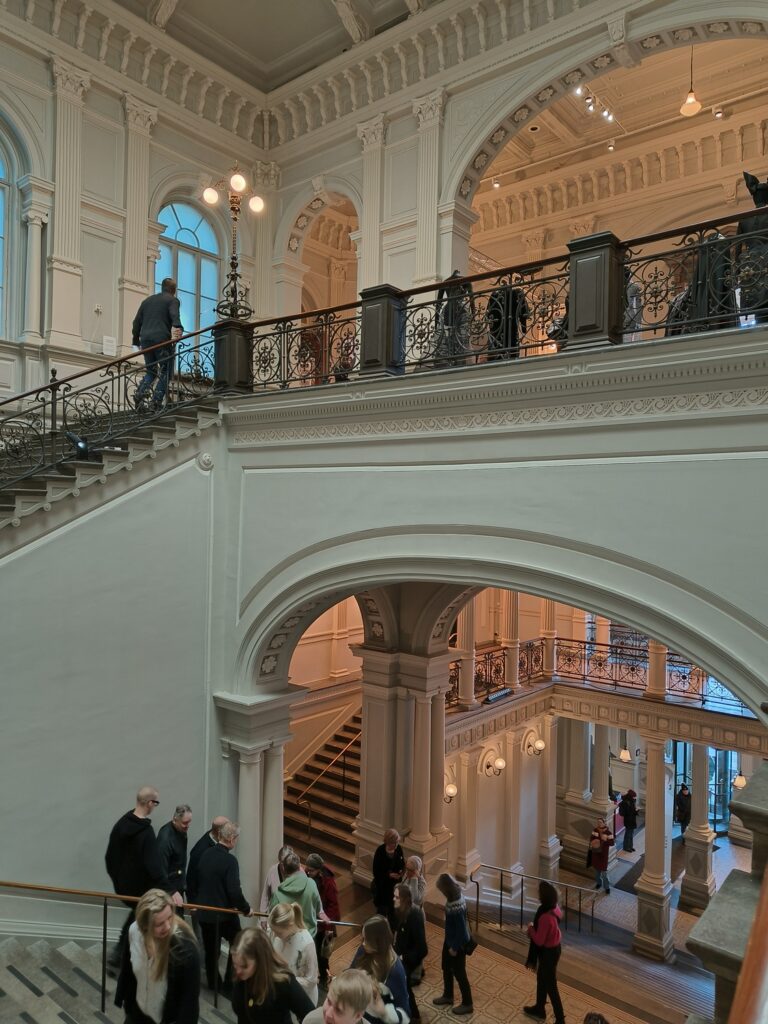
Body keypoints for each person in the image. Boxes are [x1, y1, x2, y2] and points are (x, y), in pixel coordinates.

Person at [105, 786, 180, 969]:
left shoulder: (121, 824)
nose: (155, 806)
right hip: (141, 889)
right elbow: (154, 866)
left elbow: (110, 857)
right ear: (149, 803)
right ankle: (124, 956)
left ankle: (120, 954)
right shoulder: (146, 832)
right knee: (141, 917)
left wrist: (119, 879)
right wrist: (171, 890)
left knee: (137, 916)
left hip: (124, 887)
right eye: (156, 802)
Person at [115, 887, 200, 1023]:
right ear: (145, 927)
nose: (167, 926)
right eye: (159, 924)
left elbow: (189, 1006)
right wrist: (125, 1002)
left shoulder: (185, 951)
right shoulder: (134, 931)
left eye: (170, 918)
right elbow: (127, 970)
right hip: (136, 1015)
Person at [196, 820, 254, 992]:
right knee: (238, 943)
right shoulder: (230, 861)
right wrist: (246, 909)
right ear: (231, 839)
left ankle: (214, 984)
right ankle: (230, 981)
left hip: (205, 913)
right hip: (224, 914)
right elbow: (234, 891)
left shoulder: (206, 854)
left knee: (211, 952)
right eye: (236, 838)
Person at [230, 926, 314, 1024]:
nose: (238, 971)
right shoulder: (240, 974)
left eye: (244, 966)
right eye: (235, 964)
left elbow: (311, 1016)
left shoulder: (283, 983)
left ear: (260, 961)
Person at [132, 277, 183, 411]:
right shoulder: (173, 300)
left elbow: (136, 322)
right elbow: (174, 315)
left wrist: (135, 341)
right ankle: (156, 401)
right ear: (174, 290)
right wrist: (178, 327)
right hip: (161, 340)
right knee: (167, 370)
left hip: (146, 341)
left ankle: (139, 394)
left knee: (151, 371)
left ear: (162, 287)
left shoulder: (147, 301)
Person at [351, 915, 410, 1023]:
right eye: (363, 938)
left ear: (378, 942)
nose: (363, 943)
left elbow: (405, 1014)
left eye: (367, 940)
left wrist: (384, 1012)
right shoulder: (363, 950)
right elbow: (351, 972)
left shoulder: (395, 971)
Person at [432, 873, 473, 1016]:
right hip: (449, 940)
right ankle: (448, 995)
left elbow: (462, 932)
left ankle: (468, 1003)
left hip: (457, 945)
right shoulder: (454, 896)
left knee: (460, 974)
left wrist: (454, 948)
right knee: (446, 968)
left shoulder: (456, 905)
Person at [523, 880, 564, 1024]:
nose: (538, 894)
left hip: (548, 953)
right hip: (555, 948)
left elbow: (539, 941)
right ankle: (539, 1008)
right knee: (541, 979)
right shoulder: (554, 907)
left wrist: (530, 928)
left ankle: (560, 1019)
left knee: (551, 986)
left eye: (539, 892)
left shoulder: (546, 917)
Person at [269, 901, 319, 1005]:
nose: (275, 935)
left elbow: (311, 981)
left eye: (278, 933)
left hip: (301, 998)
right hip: (282, 992)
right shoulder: (277, 934)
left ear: (289, 926)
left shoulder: (307, 944)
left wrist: (284, 978)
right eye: (273, 931)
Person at [270, 851, 326, 938]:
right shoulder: (311, 884)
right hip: (309, 936)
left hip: (287, 938)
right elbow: (318, 909)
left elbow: (274, 918)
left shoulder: (277, 894)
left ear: (283, 869)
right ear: (299, 866)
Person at [305, 852, 341, 988]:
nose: (308, 873)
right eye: (307, 870)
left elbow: (333, 906)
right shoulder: (309, 876)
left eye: (311, 871)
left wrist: (328, 928)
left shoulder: (329, 883)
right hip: (312, 920)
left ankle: (324, 977)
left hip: (323, 924)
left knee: (322, 955)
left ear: (318, 870)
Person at [393, 883, 427, 1021]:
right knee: (402, 986)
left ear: (404, 899)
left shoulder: (414, 915)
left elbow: (422, 949)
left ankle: (414, 1016)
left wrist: (403, 957)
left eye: (396, 897)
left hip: (408, 959)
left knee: (405, 987)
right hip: (401, 957)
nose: (393, 899)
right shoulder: (400, 911)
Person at [302, 969, 375, 1024]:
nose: (328, 1014)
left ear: (357, 1016)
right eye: (329, 1001)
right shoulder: (311, 1020)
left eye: (338, 1010)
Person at [187, 816, 228, 907]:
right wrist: (193, 905)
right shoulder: (200, 850)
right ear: (220, 832)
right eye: (228, 830)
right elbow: (191, 880)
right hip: (203, 904)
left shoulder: (216, 841)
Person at [156, 804, 192, 905]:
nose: (188, 825)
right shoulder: (165, 839)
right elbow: (160, 870)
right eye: (185, 823)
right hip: (168, 892)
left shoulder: (181, 830)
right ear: (175, 819)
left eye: (189, 822)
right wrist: (171, 891)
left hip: (177, 887)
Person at [371, 829, 405, 920]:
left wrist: (401, 873)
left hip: (395, 886)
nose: (396, 844)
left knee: (394, 912)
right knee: (382, 912)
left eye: (397, 842)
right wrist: (389, 875)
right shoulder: (380, 851)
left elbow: (402, 864)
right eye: (394, 842)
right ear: (388, 842)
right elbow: (376, 871)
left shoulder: (398, 849)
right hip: (383, 888)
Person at [260, 844, 298, 917]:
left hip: (292, 916)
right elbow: (265, 896)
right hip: (275, 915)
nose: (284, 867)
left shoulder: (298, 872)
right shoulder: (272, 871)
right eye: (282, 863)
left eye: (286, 864)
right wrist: (263, 918)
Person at [588, 817, 614, 893]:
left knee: (604, 873)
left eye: (600, 822)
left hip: (603, 855)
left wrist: (605, 840)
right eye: (598, 822)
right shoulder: (595, 830)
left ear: (604, 823)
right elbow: (591, 839)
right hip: (596, 854)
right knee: (597, 873)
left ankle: (607, 887)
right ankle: (599, 883)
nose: (599, 823)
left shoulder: (608, 833)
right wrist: (595, 841)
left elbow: (612, 843)